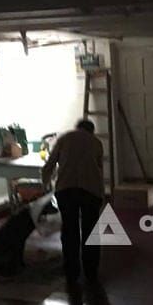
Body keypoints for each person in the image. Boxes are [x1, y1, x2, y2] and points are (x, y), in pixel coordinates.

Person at [42, 119, 104, 285]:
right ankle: (91, 271)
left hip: (66, 190)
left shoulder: (63, 138)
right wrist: (102, 195)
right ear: (91, 131)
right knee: (91, 230)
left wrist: (45, 185)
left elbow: (49, 165)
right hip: (90, 191)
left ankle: (71, 271)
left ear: (77, 128)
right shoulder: (96, 142)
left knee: (70, 230)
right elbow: (99, 170)